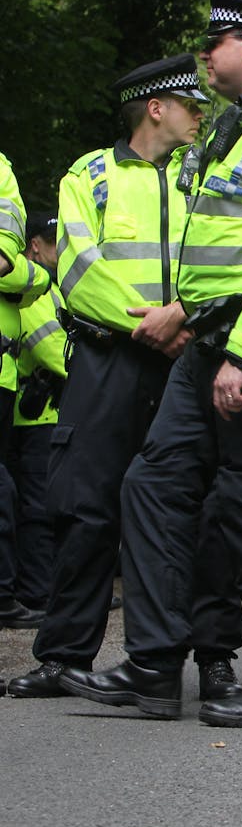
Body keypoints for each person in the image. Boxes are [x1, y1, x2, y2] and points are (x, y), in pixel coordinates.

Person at [58, 0, 242, 727]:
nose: (204, 58)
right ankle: (155, 668)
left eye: (213, 43)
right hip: (212, 336)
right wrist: (188, 313)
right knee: (151, 484)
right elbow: (228, 250)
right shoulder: (235, 129)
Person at [7, 56, 240, 701]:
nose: (202, 115)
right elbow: (78, 270)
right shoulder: (89, 175)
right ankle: (62, 657)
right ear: (155, 108)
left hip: (192, 355)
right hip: (111, 358)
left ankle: (214, 658)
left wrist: (187, 325)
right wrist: (154, 327)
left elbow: (229, 255)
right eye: (191, 105)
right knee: (84, 508)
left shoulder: (211, 174)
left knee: (201, 508)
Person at [5, 213, 67, 618]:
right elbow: (53, 350)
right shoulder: (34, 294)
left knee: (55, 508)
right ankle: (39, 592)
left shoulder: (52, 289)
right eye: (51, 242)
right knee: (39, 509)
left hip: (51, 414)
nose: (58, 249)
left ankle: (50, 592)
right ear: (34, 247)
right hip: (35, 419)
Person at [0, 153, 50, 637]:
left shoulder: (1, 170)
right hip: (34, 413)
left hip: (9, 386)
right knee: (28, 502)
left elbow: (18, 273)